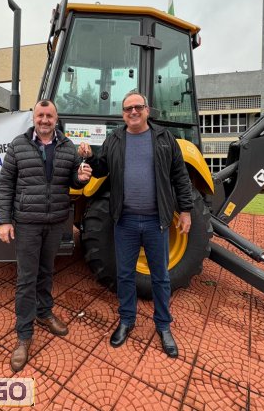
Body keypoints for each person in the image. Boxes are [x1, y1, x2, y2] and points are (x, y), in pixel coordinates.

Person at [78, 91, 192, 358]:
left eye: (138, 107)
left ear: (147, 110)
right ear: (123, 114)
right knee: (125, 275)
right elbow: (102, 168)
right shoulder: (115, 139)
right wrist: (90, 157)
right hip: (125, 221)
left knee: (160, 277)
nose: (133, 112)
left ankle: (163, 326)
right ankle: (127, 320)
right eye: (128, 108)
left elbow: (180, 176)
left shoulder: (164, 138)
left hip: (156, 222)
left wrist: (186, 210)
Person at [0, 99, 92, 372]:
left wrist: (81, 177)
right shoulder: (18, 145)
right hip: (27, 223)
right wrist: (4, 221)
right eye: (41, 115)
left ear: (56, 119)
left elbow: (73, 180)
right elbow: (5, 185)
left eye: (49, 116)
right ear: (34, 118)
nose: (45, 120)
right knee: (26, 279)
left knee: (47, 272)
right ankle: (24, 335)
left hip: (55, 222)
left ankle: (44, 312)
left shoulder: (67, 146)